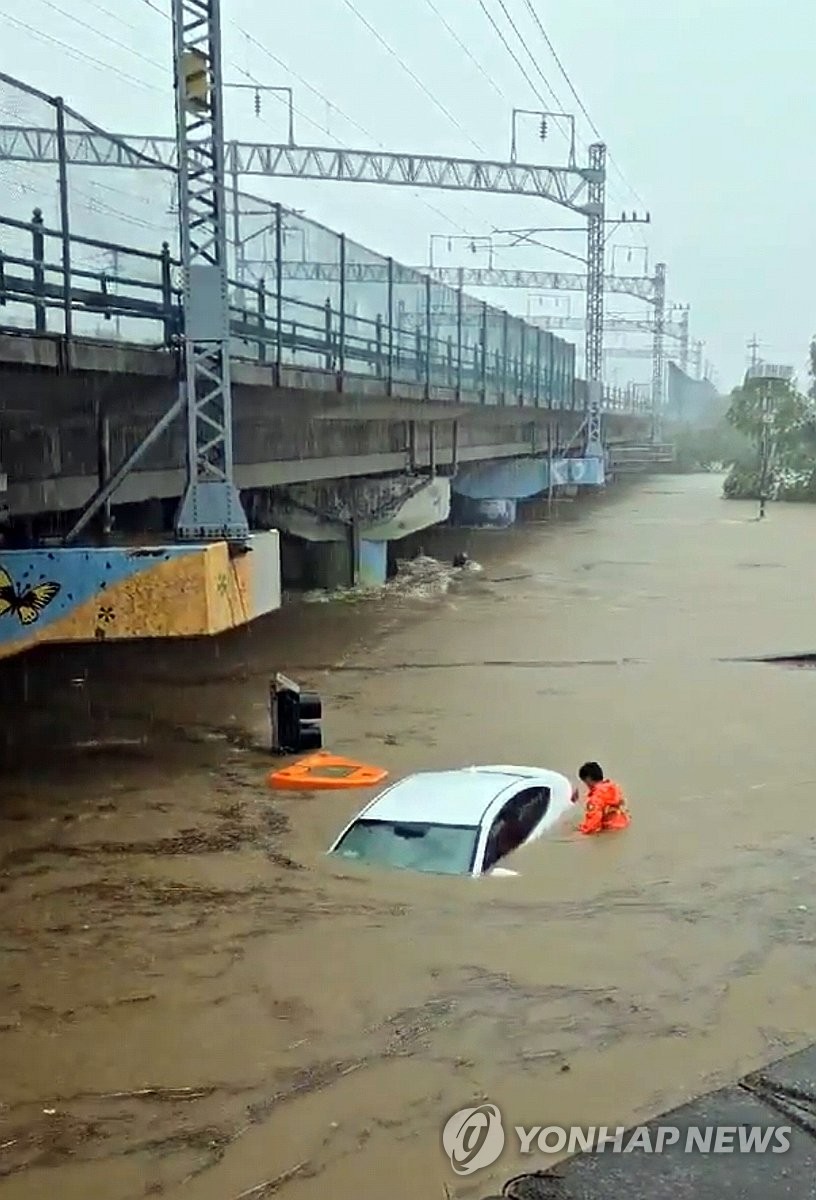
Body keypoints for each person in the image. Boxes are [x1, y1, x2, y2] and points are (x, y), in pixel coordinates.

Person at [576, 762, 630, 835]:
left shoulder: (595, 798)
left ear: (588, 779)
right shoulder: (614, 787)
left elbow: (593, 823)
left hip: (610, 831)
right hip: (623, 823)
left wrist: (582, 832)